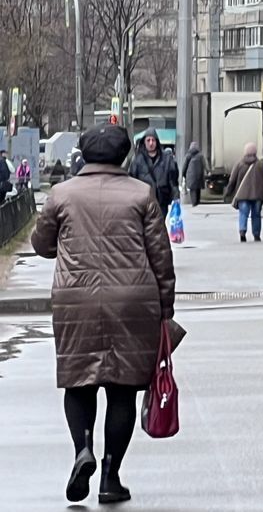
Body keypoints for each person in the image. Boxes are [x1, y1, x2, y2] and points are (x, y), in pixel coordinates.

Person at [31, 125, 175, 505]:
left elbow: (41, 243)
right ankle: (111, 476)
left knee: (79, 381)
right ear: (124, 155)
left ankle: (82, 449)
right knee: (122, 390)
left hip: (75, 299)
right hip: (132, 299)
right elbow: (160, 255)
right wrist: (166, 307)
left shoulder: (61, 194)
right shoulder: (141, 194)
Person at [224, 143, 263, 243]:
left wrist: (227, 193)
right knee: (256, 215)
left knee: (243, 213)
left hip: (243, 196)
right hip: (257, 196)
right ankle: (256, 235)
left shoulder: (239, 164)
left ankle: (242, 232)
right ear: (255, 152)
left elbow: (232, 180)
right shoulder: (260, 165)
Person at [127, 129, 179, 212]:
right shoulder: (137, 159)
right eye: (148, 140)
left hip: (162, 201)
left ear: (157, 141)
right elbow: (132, 180)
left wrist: (176, 198)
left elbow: (173, 181)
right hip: (144, 200)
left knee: (160, 223)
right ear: (144, 142)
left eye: (153, 140)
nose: (151, 143)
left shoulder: (167, 158)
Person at [181, 142, 206, 206]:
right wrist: (208, 171)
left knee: (193, 190)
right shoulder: (200, 155)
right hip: (199, 176)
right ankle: (197, 202)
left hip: (191, 176)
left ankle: (194, 203)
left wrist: (183, 174)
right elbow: (204, 164)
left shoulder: (188, 155)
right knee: (198, 189)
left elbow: (185, 166)